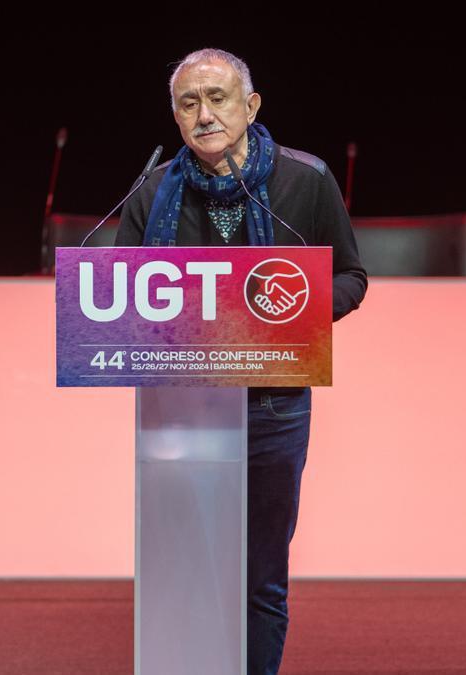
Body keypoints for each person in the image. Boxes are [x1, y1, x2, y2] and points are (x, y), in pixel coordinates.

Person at [115, 47, 367, 675]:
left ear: (251, 105)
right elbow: (119, 293)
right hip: (180, 409)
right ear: (174, 116)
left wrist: (289, 311)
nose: (204, 114)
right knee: (184, 569)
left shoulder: (304, 181)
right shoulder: (151, 191)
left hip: (274, 406)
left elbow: (352, 277)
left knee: (260, 576)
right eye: (188, 102)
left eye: (218, 97)